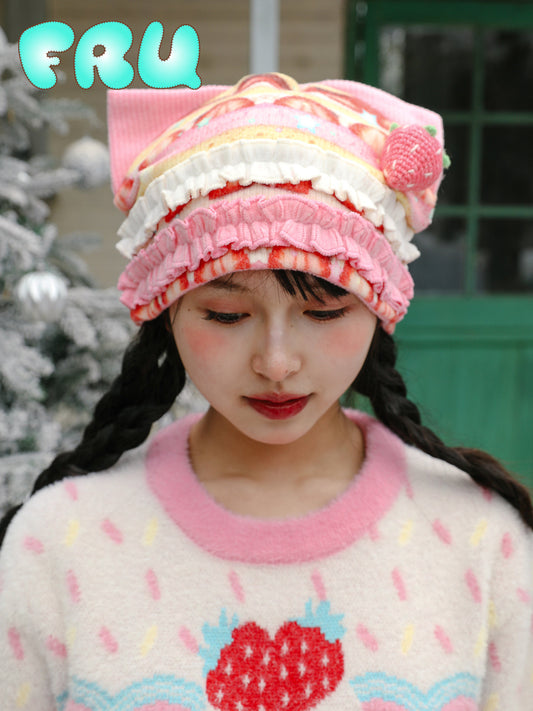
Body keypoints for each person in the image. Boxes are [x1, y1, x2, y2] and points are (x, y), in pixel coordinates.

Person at [0, 72, 532, 711]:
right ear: (166, 311)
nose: (277, 363)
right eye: (227, 315)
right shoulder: (57, 542)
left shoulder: (483, 540)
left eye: (325, 312)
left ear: (381, 306)